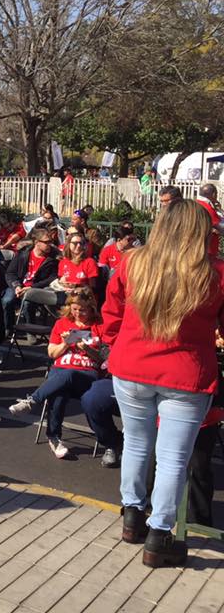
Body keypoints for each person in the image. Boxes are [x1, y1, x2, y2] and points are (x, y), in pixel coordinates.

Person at [101, 199, 223, 568]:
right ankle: (159, 534)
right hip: (186, 373)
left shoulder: (133, 261)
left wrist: (114, 343)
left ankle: (132, 517)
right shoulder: (214, 272)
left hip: (131, 364)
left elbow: (112, 312)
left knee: (135, 443)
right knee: (173, 458)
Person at [8, 290, 107, 459]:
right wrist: (65, 344)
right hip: (61, 371)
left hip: (87, 375)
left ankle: (32, 401)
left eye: (82, 310)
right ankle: (54, 438)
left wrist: (88, 349)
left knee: (67, 376)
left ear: (92, 309)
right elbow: (52, 354)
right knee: (58, 392)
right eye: (74, 309)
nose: (77, 313)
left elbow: (104, 361)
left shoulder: (100, 326)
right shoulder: (62, 323)